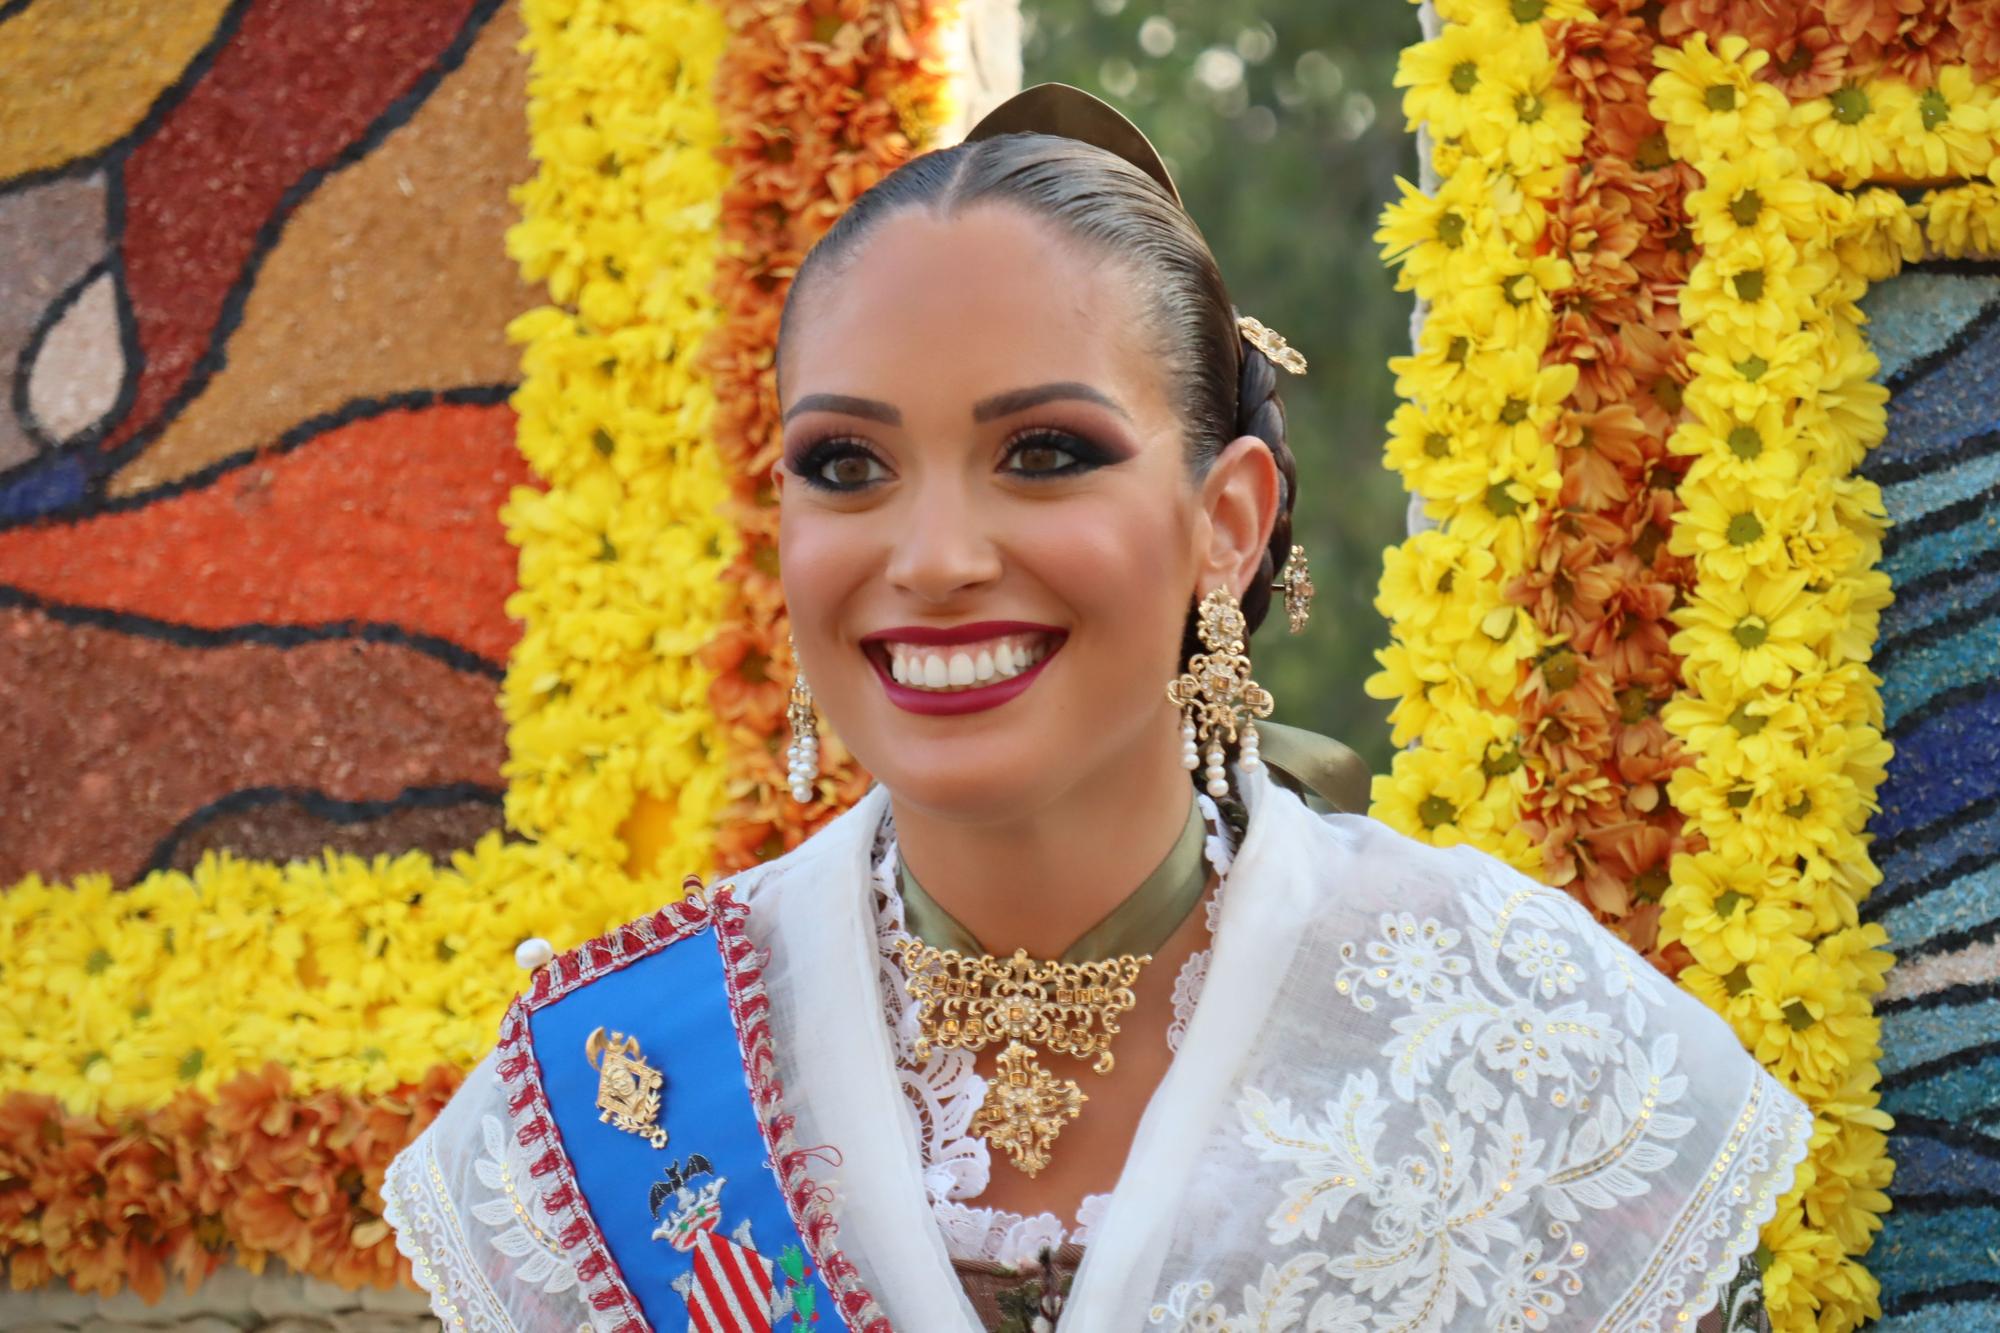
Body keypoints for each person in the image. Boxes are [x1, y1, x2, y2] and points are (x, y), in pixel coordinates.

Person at [383, 84, 1805, 1332]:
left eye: (1045, 452)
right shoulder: (602, 1104)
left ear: (1225, 524)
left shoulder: (1530, 1051)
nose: (932, 558)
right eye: (846, 465)